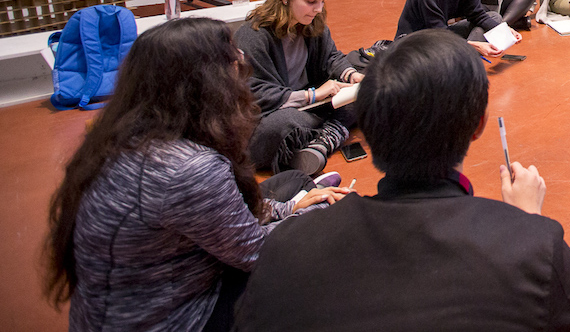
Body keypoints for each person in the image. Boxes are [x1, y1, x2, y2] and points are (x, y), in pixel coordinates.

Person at [235, 29, 570, 332]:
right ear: (478, 126)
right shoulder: (536, 247)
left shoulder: (285, 247)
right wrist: (529, 223)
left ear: (367, 127)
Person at [44, 18, 351, 332]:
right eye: (236, 63)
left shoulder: (123, 136)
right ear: (206, 80)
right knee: (323, 249)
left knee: (295, 183)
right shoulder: (189, 168)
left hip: (135, 301)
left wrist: (291, 208)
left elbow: (226, 215)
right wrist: (318, 215)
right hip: (172, 318)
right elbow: (257, 253)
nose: (241, 74)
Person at [239, 0, 361, 176]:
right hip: (270, 115)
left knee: (357, 95)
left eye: (322, 2)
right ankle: (332, 131)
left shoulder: (313, 23)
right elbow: (253, 93)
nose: (318, 9)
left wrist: (353, 76)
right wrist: (312, 95)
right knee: (283, 125)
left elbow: (331, 57)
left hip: (307, 106)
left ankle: (321, 140)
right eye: (311, 2)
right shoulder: (254, 35)